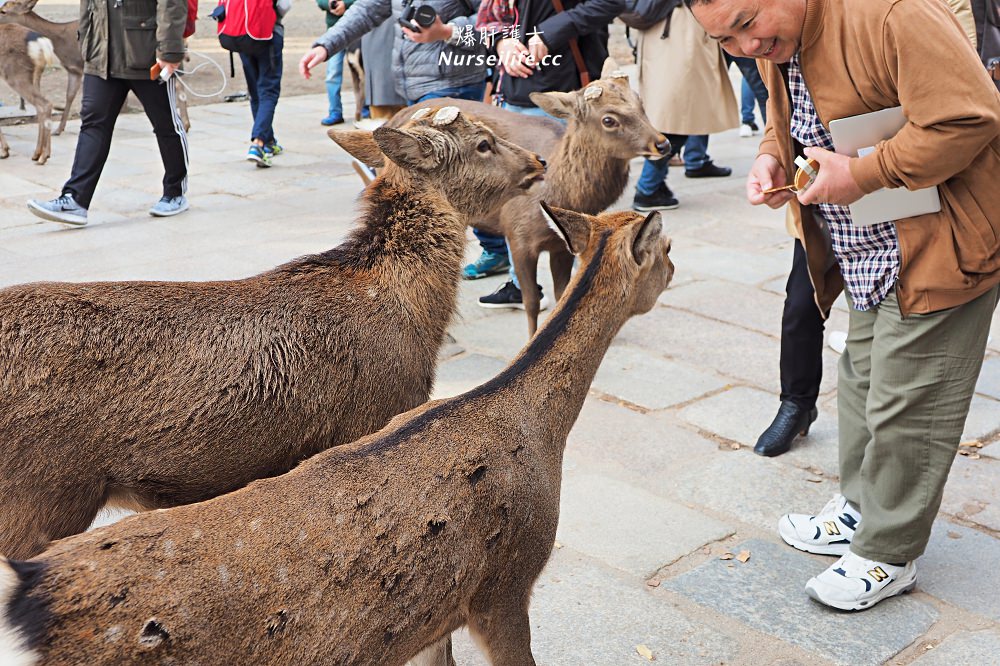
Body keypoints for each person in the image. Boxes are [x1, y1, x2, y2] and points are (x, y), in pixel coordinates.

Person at [688, 0, 1000, 612]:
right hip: (865, 238)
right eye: (725, 40)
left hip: (943, 235)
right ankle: (860, 507)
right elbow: (788, 111)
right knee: (860, 377)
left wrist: (863, 173)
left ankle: (889, 551)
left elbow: (968, 118)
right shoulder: (782, 35)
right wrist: (770, 154)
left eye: (747, 25)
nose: (746, 47)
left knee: (911, 397)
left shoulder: (893, 12)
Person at [471, 0, 623, 309]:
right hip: (515, 94)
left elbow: (609, 3)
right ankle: (521, 283)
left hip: (567, 95)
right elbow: (489, 17)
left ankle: (589, 295)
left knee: (580, 203)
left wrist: (549, 33)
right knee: (517, 197)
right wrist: (503, 43)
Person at [26, 0, 189, 226]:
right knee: (93, 124)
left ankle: (175, 192)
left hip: (145, 52)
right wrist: (86, 41)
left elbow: (172, 3)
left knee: (165, 124)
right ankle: (75, 199)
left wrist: (170, 50)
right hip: (101, 56)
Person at [631, 3, 737, 212]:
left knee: (679, 115)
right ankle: (647, 188)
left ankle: (660, 181)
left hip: (667, 35)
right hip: (678, 39)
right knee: (675, 121)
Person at [242, 0, 289, 168]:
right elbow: (284, 6)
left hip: (242, 36)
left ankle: (269, 140)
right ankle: (258, 144)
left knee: (255, 92)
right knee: (268, 91)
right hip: (267, 35)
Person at [317, 0, 357, 126]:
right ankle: (335, 111)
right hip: (334, 31)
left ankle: (364, 110)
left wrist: (346, 3)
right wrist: (329, 4)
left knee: (361, 73)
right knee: (332, 73)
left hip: (358, 29)